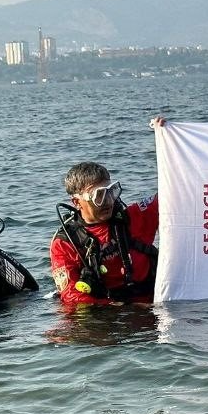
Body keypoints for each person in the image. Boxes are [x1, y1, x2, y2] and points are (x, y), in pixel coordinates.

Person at [50, 120, 165, 305]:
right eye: (99, 196)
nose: (108, 201)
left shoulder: (134, 217)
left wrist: (167, 140)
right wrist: (116, 309)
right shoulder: (65, 243)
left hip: (148, 307)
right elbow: (71, 296)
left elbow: (173, 193)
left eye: (111, 192)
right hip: (104, 315)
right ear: (76, 202)